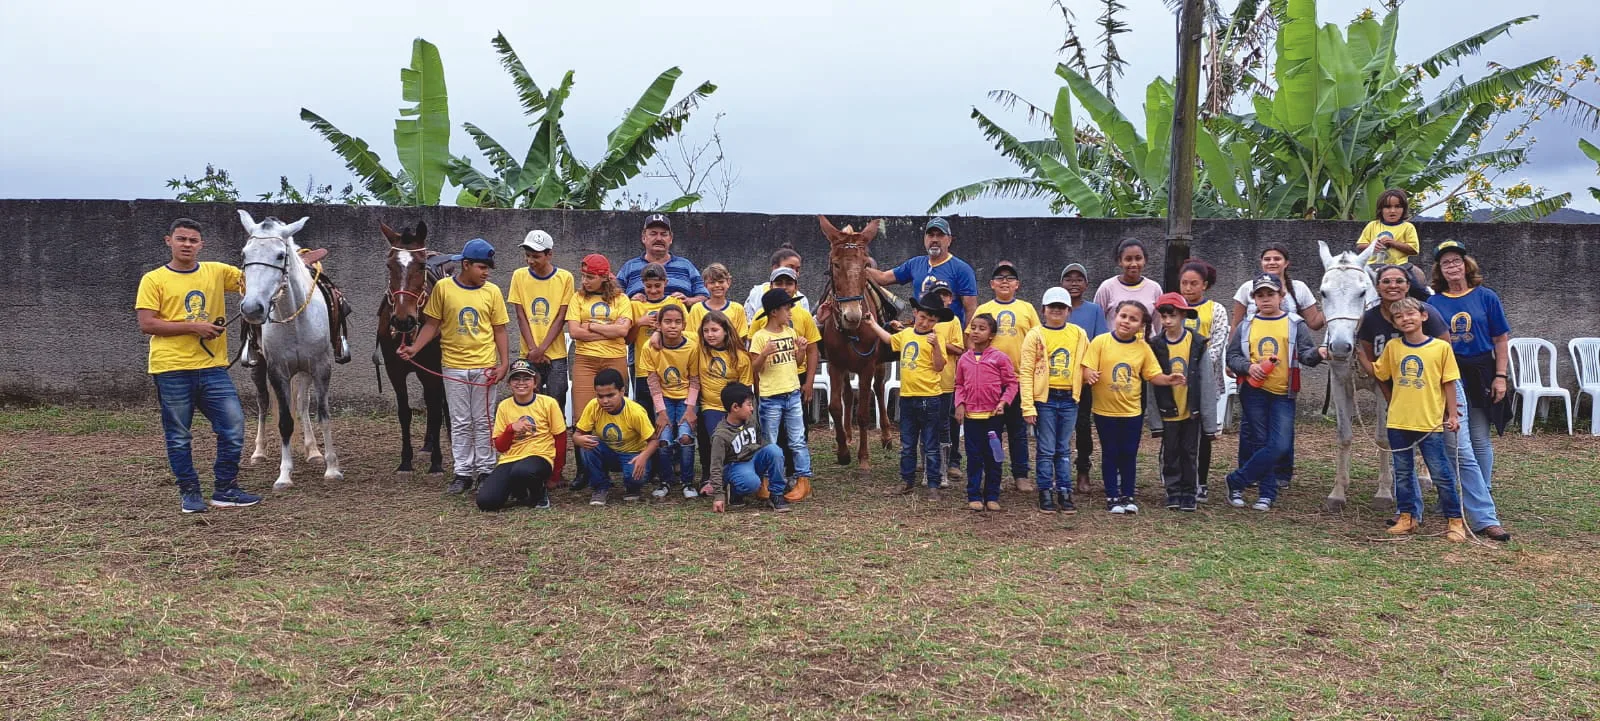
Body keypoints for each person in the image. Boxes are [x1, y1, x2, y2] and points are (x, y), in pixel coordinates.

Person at [1361, 265, 1510, 541]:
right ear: (1377, 286)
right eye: (1385, 281)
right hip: (1401, 399)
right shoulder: (1370, 319)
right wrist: (1390, 397)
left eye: (1398, 281)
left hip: (1437, 393)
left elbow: (1444, 360)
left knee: (1459, 453)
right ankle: (1408, 513)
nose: (1392, 285)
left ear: (1408, 285)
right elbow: (1374, 363)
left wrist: (1448, 408)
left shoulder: (1427, 312)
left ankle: (1482, 518)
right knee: (1403, 464)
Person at [135, 218, 262, 514]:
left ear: (201, 245)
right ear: (169, 241)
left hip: (212, 368)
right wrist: (194, 327)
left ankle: (225, 489)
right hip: (171, 369)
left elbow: (255, 279)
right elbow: (147, 323)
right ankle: (190, 492)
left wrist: (293, 261)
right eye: (181, 239)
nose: (187, 245)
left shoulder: (217, 272)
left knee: (233, 426)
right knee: (179, 434)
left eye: (193, 240)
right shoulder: (153, 279)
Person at [399, 238, 511, 496]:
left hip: (485, 366)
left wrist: (503, 363)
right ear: (467, 265)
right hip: (454, 366)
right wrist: (414, 348)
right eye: (482, 267)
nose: (486, 273)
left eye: (488, 269)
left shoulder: (492, 292)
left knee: (484, 421)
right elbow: (432, 324)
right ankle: (462, 472)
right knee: (460, 421)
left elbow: (500, 330)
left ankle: (485, 470)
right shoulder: (444, 289)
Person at [1224, 274, 1327, 511]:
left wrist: (1319, 353)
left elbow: (1306, 355)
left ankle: (1236, 480)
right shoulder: (1246, 325)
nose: (1265, 299)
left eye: (1270, 294)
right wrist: (1249, 367)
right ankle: (1267, 494)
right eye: (1260, 295)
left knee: (1279, 444)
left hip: (1284, 393)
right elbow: (1233, 357)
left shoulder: (1294, 323)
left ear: (1282, 296)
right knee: (1260, 442)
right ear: (1254, 300)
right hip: (1253, 391)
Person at [1372, 298, 1465, 540]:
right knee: (1402, 472)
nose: (1406, 319)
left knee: (1441, 473)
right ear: (1395, 323)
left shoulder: (1441, 348)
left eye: (1410, 314)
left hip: (1429, 423)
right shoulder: (1393, 347)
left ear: (1423, 316)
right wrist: (1360, 352)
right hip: (1398, 422)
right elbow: (1379, 371)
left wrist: (1452, 414)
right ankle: (1407, 516)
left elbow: (1449, 382)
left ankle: (1455, 520)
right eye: (1399, 317)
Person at [1082, 301, 1186, 514]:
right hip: (1105, 412)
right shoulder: (1100, 342)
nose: (1126, 322)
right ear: (1115, 316)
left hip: (1132, 412)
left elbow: (1152, 375)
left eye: (1133, 319)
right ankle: (1112, 495)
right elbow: (1086, 367)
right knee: (1110, 452)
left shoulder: (1143, 348)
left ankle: (1128, 494)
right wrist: (1089, 375)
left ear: (1141, 325)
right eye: (1123, 316)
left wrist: (1168, 379)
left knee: (1129, 452)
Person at [862, 293, 953, 500]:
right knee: (907, 443)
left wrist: (937, 346)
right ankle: (906, 480)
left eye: (931, 320)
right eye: (922, 317)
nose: (925, 323)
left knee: (930, 444)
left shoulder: (937, 338)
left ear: (937, 322)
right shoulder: (907, 334)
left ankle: (933, 484)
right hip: (908, 397)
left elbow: (939, 366)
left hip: (930, 398)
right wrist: (873, 324)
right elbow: (889, 339)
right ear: (915, 313)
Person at [566, 254, 634, 490]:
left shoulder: (621, 299)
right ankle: (584, 471)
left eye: (591, 277)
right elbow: (575, 332)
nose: (585, 281)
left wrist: (593, 326)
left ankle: (615, 463)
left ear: (604, 277)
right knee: (582, 417)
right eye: (584, 276)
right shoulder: (577, 298)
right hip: (585, 361)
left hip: (614, 359)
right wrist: (609, 330)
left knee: (615, 412)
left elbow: (624, 331)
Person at [749, 266, 821, 489]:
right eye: (786, 309)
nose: (790, 312)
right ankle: (771, 480)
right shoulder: (760, 334)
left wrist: (800, 350)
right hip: (770, 395)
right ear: (773, 312)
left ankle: (802, 479)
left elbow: (797, 362)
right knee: (771, 441)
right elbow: (754, 366)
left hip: (792, 392)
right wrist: (764, 354)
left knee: (798, 439)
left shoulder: (791, 331)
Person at [1147, 292, 1220, 512]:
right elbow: (1152, 384)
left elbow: (1206, 381)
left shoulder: (1197, 343)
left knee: (1190, 452)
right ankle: (1173, 491)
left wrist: (1209, 421)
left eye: (1173, 315)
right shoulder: (1156, 345)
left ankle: (1189, 492)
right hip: (1168, 409)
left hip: (1191, 411)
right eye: (1164, 316)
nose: (1168, 321)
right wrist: (1155, 421)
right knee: (1170, 453)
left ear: (1183, 316)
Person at [1020, 286, 1089, 514]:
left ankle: (1065, 491)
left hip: (1069, 398)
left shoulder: (1079, 334)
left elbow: (1086, 361)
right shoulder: (1035, 335)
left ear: (1069, 310)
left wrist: (1088, 374)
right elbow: (1027, 370)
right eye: (1052, 307)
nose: (1057, 311)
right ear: (1044, 310)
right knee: (1046, 448)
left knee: (1064, 448)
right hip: (1046, 399)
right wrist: (1028, 405)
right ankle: (1045, 490)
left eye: (1061, 307)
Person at [973, 260, 1039, 491]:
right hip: (990, 382)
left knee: (1018, 431)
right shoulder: (983, 310)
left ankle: (1021, 474)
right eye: (1000, 278)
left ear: (1017, 285)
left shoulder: (1027, 309)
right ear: (991, 284)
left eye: (1010, 278)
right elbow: (972, 342)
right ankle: (994, 475)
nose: (1004, 282)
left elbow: (1038, 340)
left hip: (1019, 380)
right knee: (992, 432)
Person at [478, 359, 567, 511]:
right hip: (511, 458)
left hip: (540, 456)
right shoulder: (504, 406)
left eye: (526, 378)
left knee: (523, 471)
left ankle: (538, 494)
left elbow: (561, 439)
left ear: (535, 383)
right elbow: (500, 447)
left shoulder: (548, 403)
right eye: (516, 379)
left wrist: (555, 475)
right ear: (509, 384)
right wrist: (511, 429)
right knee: (486, 502)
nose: (521, 383)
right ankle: (519, 492)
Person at [1175, 260, 1230, 502]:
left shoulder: (1216, 310)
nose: (1188, 288)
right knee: (1178, 432)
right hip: (1176, 381)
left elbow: (1216, 345)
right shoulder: (1173, 307)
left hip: (1206, 381)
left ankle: (1201, 481)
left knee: (1203, 432)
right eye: (1184, 283)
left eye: (1194, 283)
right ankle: (1179, 480)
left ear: (1204, 285)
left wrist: (1196, 370)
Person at [954, 313, 1019, 511]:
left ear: (991, 334)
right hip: (973, 418)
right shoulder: (964, 359)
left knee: (994, 456)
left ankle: (992, 495)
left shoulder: (999, 358)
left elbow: (1011, 383)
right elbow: (958, 384)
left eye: (982, 328)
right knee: (974, 457)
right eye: (973, 327)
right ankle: (973, 494)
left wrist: (1003, 402)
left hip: (993, 418)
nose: (976, 332)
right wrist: (960, 404)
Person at [864, 216, 979, 324]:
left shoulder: (962, 269)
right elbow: (883, 278)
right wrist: (856, 266)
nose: (934, 239)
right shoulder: (915, 264)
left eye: (940, 235)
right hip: (921, 333)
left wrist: (968, 339)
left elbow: (970, 309)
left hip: (948, 336)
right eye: (931, 235)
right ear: (924, 239)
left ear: (949, 240)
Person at [574, 368, 662, 506]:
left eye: (610, 395)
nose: (605, 401)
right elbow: (577, 434)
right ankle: (601, 487)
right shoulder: (593, 406)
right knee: (587, 445)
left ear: (622, 391)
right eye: (600, 396)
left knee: (635, 478)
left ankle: (633, 488)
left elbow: (654, 440)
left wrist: (643, 457)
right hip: (608, 451)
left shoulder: (635, 412)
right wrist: (578, 439)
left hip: (632, 454)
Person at [507, 230, 573, 412]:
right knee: (527, 401)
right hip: (527, 353)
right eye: (527, 256)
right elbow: (521, 316)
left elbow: (561, 318)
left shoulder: (565, 278)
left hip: (556, 354)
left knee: (556, 399)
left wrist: (541, 349)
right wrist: (533, 350)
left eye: (536, 256)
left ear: (549, 254)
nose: (530, 261)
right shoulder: (519, 276)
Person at [641, 304, 700, 499]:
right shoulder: (650, 347)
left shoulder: (692, 346)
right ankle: (665, 481)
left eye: (677, 322)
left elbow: (694, 379)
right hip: (664, 400)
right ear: (658, 325)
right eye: (667, 322)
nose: (672, 326)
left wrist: (691, 409)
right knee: (663, 440)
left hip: (685, 399)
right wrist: (661, 412)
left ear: (684, 324)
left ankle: (688, 482)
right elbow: (653, 381)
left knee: (685, 437)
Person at [691, 309, 753, 492]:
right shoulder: (700, 350)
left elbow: (745, 390)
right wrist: (655, 335)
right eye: (706, 330)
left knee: (735, 443)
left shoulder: (741, 357)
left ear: (726, 330)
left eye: (714, 330)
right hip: (710, 405)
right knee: (716, 438)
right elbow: (678, 334)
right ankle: (710, 477)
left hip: (734, 409)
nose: (710, 334)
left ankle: (731, 478)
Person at [1061, 263, 1108, 494]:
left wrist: (1087, 369)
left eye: (1079, 279)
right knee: (1058, 429)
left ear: (1087, 284)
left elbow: (1099, 343)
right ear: (1061, 284)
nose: (1074, 283)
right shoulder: (1056, 308)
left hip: (1085, 378)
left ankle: (1083, 471)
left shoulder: (1095, 310)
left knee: (1082, 426)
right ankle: (1057, 472)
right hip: (1059, 379)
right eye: (1068, 279)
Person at [708, 383, 791, 513]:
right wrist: (718, 495)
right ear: (735, 407)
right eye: (749, 405)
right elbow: (716, 466)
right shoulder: (721, 435)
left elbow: (759, 440)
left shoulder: (750, 420)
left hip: (754, 458)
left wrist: (766, 457)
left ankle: (776, 494)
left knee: (775, 451)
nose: (752, 409)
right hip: (736, 465)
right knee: (751, 483)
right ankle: (735, 490)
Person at [1229, 243, 1326, 331]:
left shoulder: (1299, 288)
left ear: (1286, 263)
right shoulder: (1247, 287)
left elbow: (1314, 323)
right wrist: (1232, 350)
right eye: (1267, 259)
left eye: (1277, 259)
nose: (1271, 262)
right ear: (1261, 262)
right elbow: (1236, 326)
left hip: (1290, 347)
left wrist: (1332, 304)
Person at [615, 213, 708, 305]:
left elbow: (705, 296)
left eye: (664, 234)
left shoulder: (686, 266)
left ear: (670, 238)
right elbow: (612, 298)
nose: (659, 238)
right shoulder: (629, 267)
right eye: (653, 234)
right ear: (644, 237)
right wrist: (630, 301)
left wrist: (688, 301)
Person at [927, 280, 968, 481]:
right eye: (938, 295)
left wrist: (940, 341)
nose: (942, 298)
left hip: (946, 381)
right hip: (926, 382)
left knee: (947, 422)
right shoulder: (925, 319)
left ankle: (951, 462)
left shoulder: (953, 322)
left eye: (945, 295)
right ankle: (928, 461)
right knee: (927, 423)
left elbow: (960, 349)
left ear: (951, 299)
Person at [630, 263, 685, 406]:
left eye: (657, 285)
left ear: (665, 283)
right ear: (642, 284)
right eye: (648, 286)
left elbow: (687, 333)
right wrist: (638, 323)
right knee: (646, 411)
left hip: (672, 366)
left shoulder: (675, 302)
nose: (653, 290)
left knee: (669, 413)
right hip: (644, 370)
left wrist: (661, 331)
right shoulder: (635, 305)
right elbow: (627, 340)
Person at [1358, 188, 1429, 289]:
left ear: (1403, 209)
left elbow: (1413, 249)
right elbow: (1360, 245)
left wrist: (1393, 243)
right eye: (1387, 207)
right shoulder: (1372, 225)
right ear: (1380, 209)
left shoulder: (1408, 227)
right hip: (1372, 267)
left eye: (1397, 207)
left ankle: (1426, 301)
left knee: (1417, 289)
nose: (1392, 211)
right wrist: (1372, 246)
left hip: (1401, 267)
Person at [1092, 239, 1163, 328]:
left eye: (1138, 258)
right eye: (1128, 259)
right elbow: (1097, 320)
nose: (1134, 264)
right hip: (1114, 342)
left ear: (1145, 260)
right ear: (1120, 261)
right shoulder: (1107, 287)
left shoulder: (1155, 289)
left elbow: (1157, 324)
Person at [742, 246, 811, 322]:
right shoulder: (757, 293)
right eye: (790, 267)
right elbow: (748, 324)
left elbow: (808, 327)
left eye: (797, 269)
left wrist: (818, 321)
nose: (794, 272)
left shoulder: (802, 300)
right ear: (775, 268)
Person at [689, 263, 748, 343]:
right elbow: (691, 338)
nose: (717, 285)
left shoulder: (737, 309)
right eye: (712, 282)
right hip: (703, 354)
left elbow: (741, 338)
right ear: (705, 284)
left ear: (728, 282)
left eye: (721, 282)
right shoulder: (696, 309)